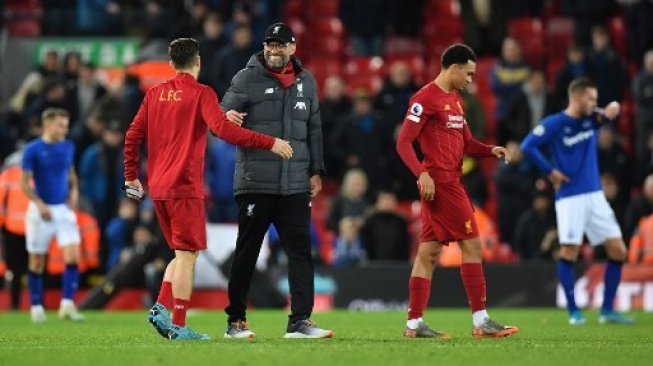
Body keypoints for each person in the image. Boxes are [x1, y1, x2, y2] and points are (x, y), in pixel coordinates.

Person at [124, 38, 293, 340]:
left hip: (158, 188)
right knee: (188, 255)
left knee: (180, 254)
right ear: (198, 61)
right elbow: (225, 131)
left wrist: (131, 177)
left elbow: (133, 135)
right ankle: (177, 324)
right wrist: (271, 143)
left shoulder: (155, 94)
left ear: (172, 62)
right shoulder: (201, 93)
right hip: (184, 187)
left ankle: (160, 308)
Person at [395, 43, 517, 339]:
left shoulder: (456, 101)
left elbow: (468, 144)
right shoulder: (424, 99)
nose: (471, 80)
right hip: (442, 183)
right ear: (454, 67)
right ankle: (481, 320)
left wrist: (491, 150)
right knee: (473, 246)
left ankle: (413, 323)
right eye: (469, 73)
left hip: (450, 181)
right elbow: (403, 143)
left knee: (429, 253)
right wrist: (422, 173)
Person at [220, 22, 333, 339]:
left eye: (280, 45)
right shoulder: (246, 78)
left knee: (300, 253)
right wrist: (226, 117)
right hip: (256, 181)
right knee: (247, 252)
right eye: (270, 44)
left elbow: (314, 130)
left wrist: (316, 170)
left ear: (292, 48)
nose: (274, 49)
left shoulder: (306, 82)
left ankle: (300, 321)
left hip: (296, 183)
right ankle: (236, 321)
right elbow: (219, 116)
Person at [521, 77, 634, 325]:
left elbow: (610, 111)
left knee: (618, 250)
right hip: (569, 197)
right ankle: (574, 311)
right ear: (578, 97)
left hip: (595, 195)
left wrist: (612, 109)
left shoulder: (591, 120)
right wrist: (550, 171)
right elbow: (528, 146)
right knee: (569, 251)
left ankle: (607, 311)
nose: (594, 103)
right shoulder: (555, 123)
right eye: (591, 98)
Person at [20, 108, 84, 323]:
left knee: (73, 255)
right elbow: (24, 183)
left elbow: (71, 172)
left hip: (63, 209)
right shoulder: (32, 150)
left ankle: (67, 305)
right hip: (41, 211)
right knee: (37, 261)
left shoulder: (68, 146)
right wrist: (38, 203)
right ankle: (36, 306)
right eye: (60, 125)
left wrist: (74, 191)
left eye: (66, 125)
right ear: (48, 125)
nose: (65, 129)